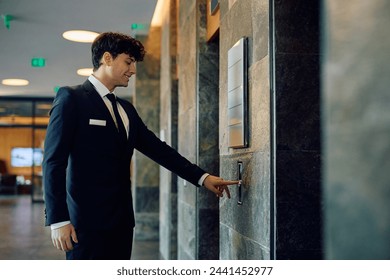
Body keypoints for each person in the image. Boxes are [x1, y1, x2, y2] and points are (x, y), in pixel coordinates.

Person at [42, 31, 238, 260]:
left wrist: (202, 177)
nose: (133, 70)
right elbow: (53, 161)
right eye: (128, 61)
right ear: (107, 58)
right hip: (84, 224)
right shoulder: (71, 98)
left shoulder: (127, 110)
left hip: (122, 223)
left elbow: (160, 150)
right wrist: (58, 219)